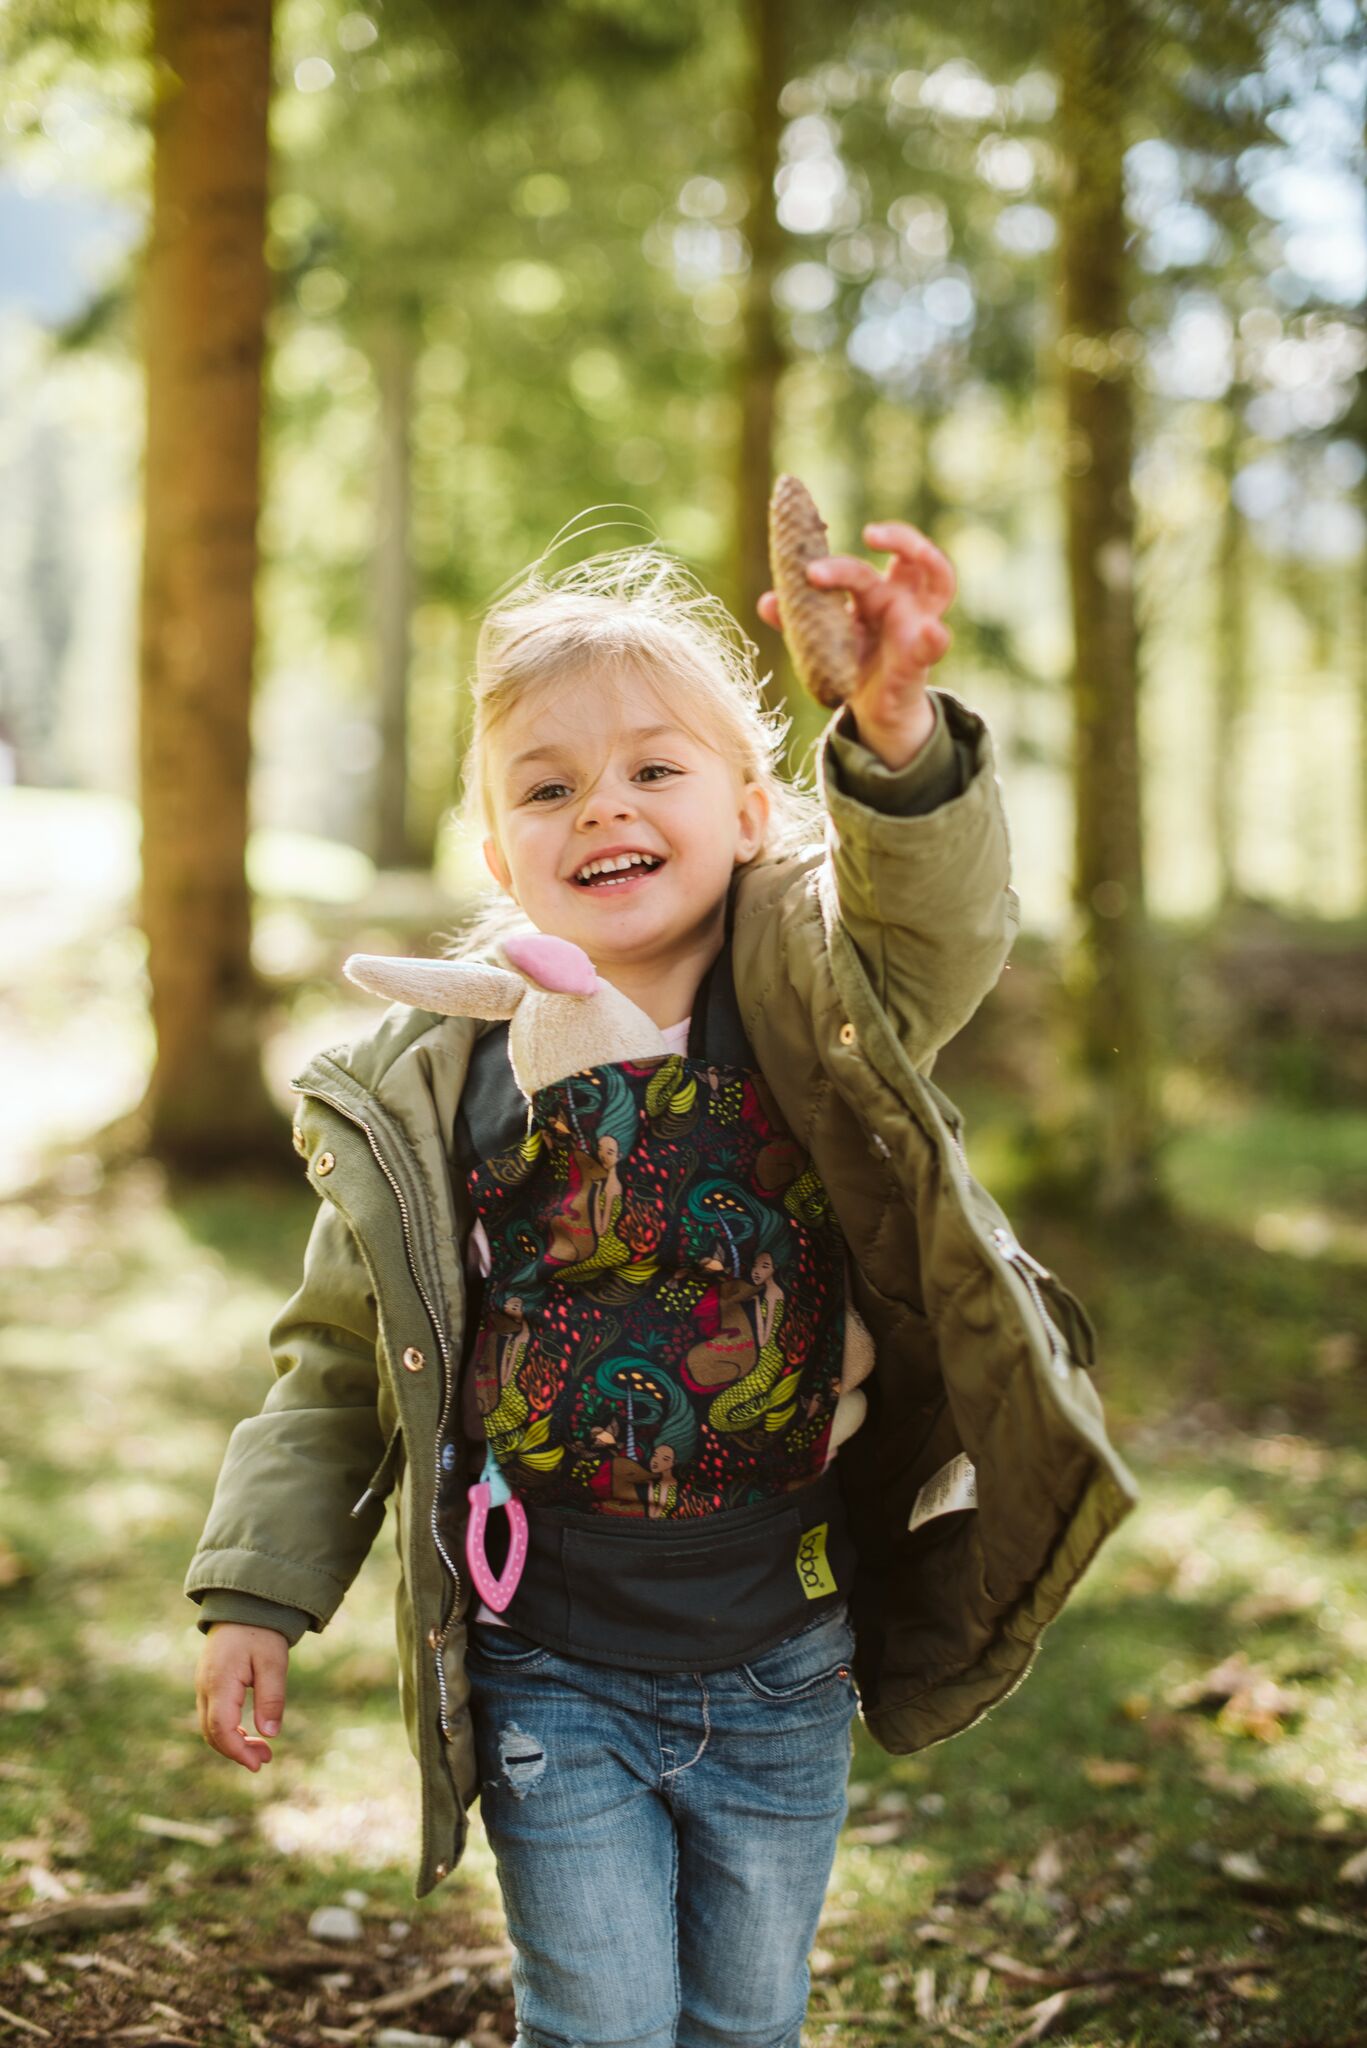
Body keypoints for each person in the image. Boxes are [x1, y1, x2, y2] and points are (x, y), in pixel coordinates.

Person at [187, 521, 1136, 2048]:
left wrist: (891, 735)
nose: (602, 807)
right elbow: (331, 1365)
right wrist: (256, 1592)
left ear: (754, 812)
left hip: (784, 1657)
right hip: (550, 1663)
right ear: (500, 855)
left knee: (746, 2020)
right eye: (548, 787)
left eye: (653, 769)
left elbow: (939, 923)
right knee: (602, 2021)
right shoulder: (439, 1090)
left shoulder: (824, 1000)